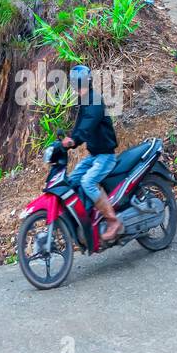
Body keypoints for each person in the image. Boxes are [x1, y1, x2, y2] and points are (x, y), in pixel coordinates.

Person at [61, 64, 123, 242]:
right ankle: (86, 218)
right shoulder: (84, 101)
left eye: (77, 83)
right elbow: (80, 129)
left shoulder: (94, 100)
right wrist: (67, 142)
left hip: (105, 156)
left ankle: (113, 221)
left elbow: (87, 126)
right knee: (72, 180)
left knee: (87, 182)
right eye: (75, 84)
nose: (77, 87)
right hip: (94, 156)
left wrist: (73, 140)